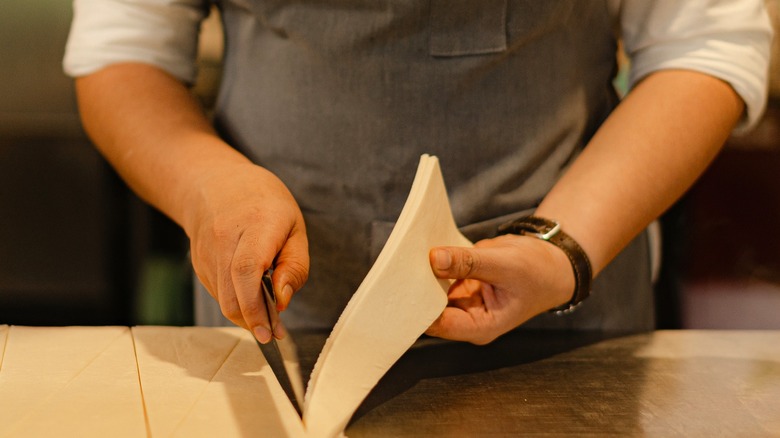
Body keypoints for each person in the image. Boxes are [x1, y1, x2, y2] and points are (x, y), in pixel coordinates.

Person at [64, 1, 772, 345]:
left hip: (566, 319)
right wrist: (206, 184)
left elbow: (705, 42)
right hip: (279, 322)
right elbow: (126, 55)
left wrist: (560, 247)